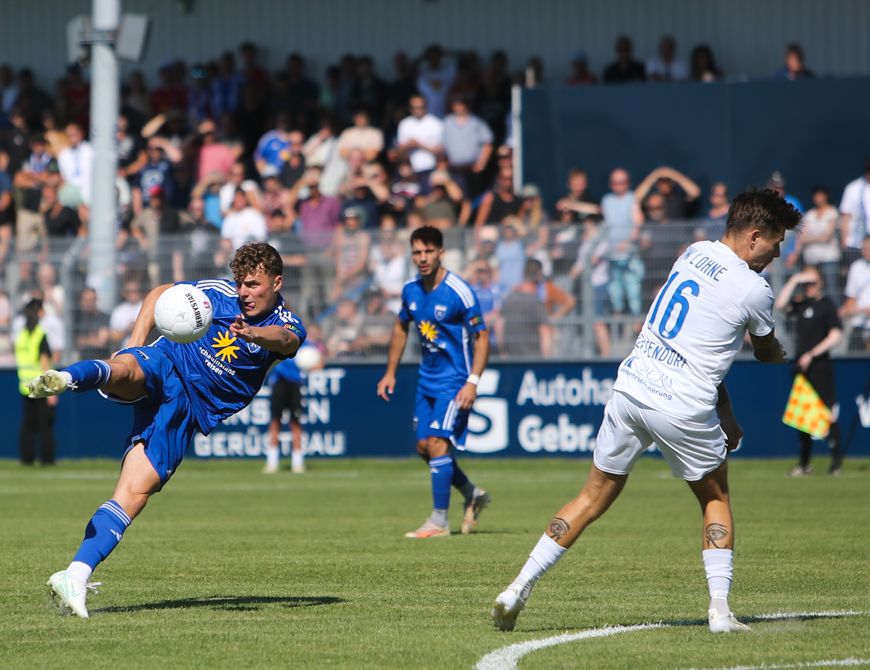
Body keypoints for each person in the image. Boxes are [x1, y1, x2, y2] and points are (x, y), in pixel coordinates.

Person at [490, 189, 801, 634]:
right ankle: (720, 610)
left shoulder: (694, 253)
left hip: (633, 387)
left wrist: (727, 412)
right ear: (755, 236)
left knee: (591, 497)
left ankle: (517, 587)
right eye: (777, 241)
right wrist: (780, 352)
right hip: (681, 406)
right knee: (715, 499)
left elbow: (700, 345)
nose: (778, 251)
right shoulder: (754, 289)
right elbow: (766, 351)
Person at [27, 242, 306, 619]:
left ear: (277, 282)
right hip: (168, 362)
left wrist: (256, 334)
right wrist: (133, 344)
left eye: (253, 285)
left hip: (189, 409)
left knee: (135, 492)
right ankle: (66, 377)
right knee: (125, 370)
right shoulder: (217, 295)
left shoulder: (287, 323)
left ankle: (74, 576)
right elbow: (161, 293)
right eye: (240, 283)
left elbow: (287, 341)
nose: (243, 292)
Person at [376, 226, 491, 538]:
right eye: (417, 252)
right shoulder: (411, 290)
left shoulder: (459, 291)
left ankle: (439, 521)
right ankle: (471, 493)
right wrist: (390, 372)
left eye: (428, 251)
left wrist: (473, 382)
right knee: (424, 447)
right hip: (426, 380)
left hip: (455, 381)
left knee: (438, 443)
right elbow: (401, 328)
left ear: (441, 253)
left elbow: (481, 337)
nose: (422, 258)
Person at [774, 267, 843, 476]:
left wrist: (812, 354)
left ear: (820, 282)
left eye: (812, 283)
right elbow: (780, 305)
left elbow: (836, 335)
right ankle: (804, 464)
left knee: (829, 414)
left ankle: (836, 464)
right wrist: (795, 279)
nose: (808, 288)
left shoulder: (826, 305)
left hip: (820, 367)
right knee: (803, 417)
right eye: (806, 284)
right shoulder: (802, 304)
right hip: (801, 369)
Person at [264, 345, 319, 475]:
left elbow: (319, 360)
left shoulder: (303, 342)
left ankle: (297, 463)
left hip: (295, 385)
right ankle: (272, 463)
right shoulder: (276, 339)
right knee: (275, 422)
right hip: (279, 384)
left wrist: (311, 366)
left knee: (296, 423)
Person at [16, 299, 57, 466]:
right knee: (45, 424)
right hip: (41, 386)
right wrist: (51, 391)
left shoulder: (22, 336)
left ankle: (27, 458)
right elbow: (45, 364)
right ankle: (47, 459)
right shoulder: (40, 335)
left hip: (24, 385)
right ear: (39, 312)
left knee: (28, 425)